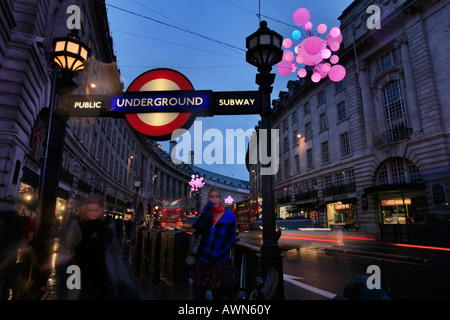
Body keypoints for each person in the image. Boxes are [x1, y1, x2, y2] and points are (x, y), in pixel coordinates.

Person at [58, 194, 138, 300]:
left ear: (101, 210)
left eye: (96, 210)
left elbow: (115, 255)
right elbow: (68, 251)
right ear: (85, 210)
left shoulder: (107, 227)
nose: (93, 213)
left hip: (102, 275)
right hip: (79, 274)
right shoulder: (77, 226)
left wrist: (124, 280)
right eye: (90, 210)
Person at [192, 188, 239, 300]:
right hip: (203, 260)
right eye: (211, 197)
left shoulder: (229, 215)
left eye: (216, 196)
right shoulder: (206, 214)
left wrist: (219, 253)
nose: (214, 199)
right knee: (199, 293)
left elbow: (231, 238)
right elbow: (197, 229)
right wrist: (205, 211)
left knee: (218, 293)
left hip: (220, 261)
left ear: (220, 199)